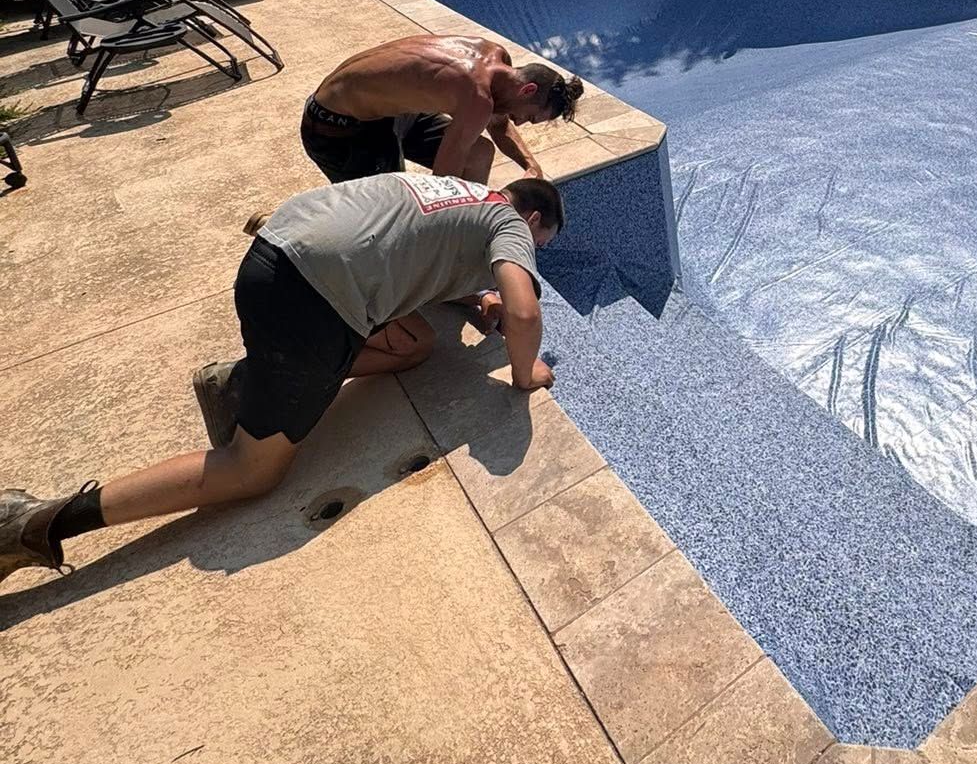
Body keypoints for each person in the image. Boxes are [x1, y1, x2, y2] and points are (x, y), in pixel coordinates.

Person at [0, 174, 565, 586]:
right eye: (539, 247)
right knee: (251, 472)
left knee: (413, 344)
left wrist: (481, 293)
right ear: (534, 220)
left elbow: (419, 254)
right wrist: (523, 372)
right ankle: (29, 525)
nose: (530, 252)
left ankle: (250, 378)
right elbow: (523, 313)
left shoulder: (456, 191)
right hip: (311, 301)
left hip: (275, 254)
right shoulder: (512, 224)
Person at [300, 35, 583, 185]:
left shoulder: (497, 58)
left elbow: (498, 126)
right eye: (529, 116)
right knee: (388, 212)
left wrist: (531, 166)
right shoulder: (476, 95)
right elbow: (443, 183)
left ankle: (462, 237)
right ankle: (290, 232)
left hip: (389, 116)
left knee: (479, 153)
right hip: (335, 127)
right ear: (528, 90)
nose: (519, 123)